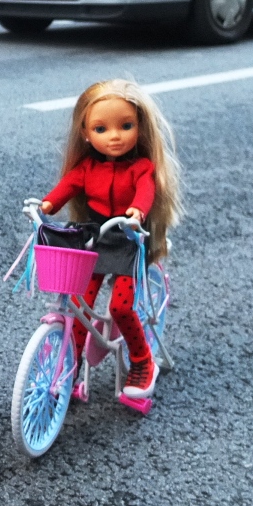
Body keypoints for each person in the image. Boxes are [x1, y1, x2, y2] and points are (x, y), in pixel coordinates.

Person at [41, 79, 182, 400]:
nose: (115, 136)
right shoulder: (86, 168)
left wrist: (137, 211)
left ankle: (143, 360)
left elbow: (145, 191)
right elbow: (66, 188)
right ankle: (71, 363)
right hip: (94, 240)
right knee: (79, 304)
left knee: (121, 306)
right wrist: (46, 205)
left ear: (140, 128)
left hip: (128, 240)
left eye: (126, 126)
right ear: (85, 133)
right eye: (101, 129)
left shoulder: (141, 168)